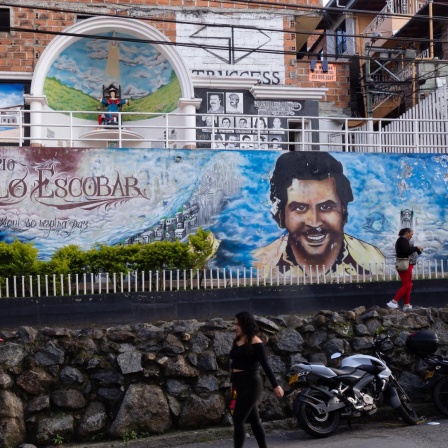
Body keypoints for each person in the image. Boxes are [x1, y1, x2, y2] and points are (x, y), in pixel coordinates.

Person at [253, 152, 385, 276]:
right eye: (300, 208)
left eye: (326, 207)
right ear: (281, 216)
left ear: (343, 211)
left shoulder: (373, 260)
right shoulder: (260, 265)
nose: (314, 222)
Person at [229, 311, 284, 448]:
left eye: (238, 324)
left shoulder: (256, 342)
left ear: (245, 324)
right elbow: (234, 364)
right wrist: (232, 383)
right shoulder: (237, 340)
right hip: (239, 383)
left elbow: (265, 365)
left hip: (252, 384)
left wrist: (276, 385)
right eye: (234, 324)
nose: (235, 327)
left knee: (238, 419)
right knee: (254, 420)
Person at [387, 228, 423, 311]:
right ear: (407, 233)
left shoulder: (403, 240)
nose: (412, 235)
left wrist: (417, 249)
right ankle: (394, 301)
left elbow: (407, 250)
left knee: (408, 285)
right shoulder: (402, 240)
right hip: (405, 265)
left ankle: (406, 305)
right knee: (408, 285)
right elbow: (406, 251)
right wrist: (416, 248)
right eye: (411, 233)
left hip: (406, 265)